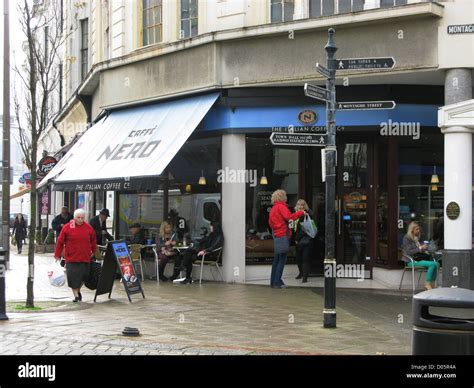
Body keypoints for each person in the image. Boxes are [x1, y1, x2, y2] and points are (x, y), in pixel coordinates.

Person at [54, 209, 97, 302]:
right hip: (71, 257)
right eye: (78, 218)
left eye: (82, 218)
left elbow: (93, 240)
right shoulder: (67, 227)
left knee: (84, 276)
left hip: (85, 257)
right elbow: (60, 241)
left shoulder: (88, 228)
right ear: (74, 217)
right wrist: (57, 255)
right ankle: (76, 295)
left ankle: (77, 290)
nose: (80, 220)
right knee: (73, 277)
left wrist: (93, 251)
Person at [268, 190, 305, 289]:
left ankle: (274, 281)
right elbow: (289, 217)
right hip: (283, 235)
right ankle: (277, 282)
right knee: (282, 260)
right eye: (285, 196)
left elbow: (270, 223)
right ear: (282, 197)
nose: (286, 197)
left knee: (276, 259)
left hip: (276, 235)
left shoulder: (273, 208)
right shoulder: (281, 206)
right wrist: (300, 213)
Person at [402, 221, 439, 290]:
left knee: (437, 264)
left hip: (418, 259)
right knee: (432, 264)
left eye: (419, 229)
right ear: (412, 230)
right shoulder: (406, 238)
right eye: (417, 229)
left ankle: (432, 283)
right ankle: (427, 284)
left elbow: (419, 250)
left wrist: (424, 248)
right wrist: (420, 248)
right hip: (411, 261)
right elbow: (409, 252)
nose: (419, 231)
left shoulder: (416, 238)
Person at [293, 199, 314, 283]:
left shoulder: (307, 215)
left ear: (305, 206)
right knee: (298, 258)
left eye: (302, 205)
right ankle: (301, 273)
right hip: (297, 240)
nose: (301, 206)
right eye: (299, 204)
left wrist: (297, 239)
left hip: (306, 239)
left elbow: (304, 229)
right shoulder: (294, 215)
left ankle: (305, 276)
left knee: (305, 258)